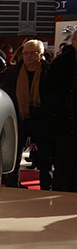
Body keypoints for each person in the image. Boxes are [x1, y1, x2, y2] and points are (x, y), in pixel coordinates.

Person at [0, 40, 52, 189]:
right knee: (15, 155)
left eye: (33, 53)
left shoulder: (48, 72)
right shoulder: (13, 73)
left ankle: (46, 187)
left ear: (40, 54)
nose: (28, 56)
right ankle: (12, 185)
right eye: (26, 53)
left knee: (45, 157)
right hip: (19, 118)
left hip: (41, 119)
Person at [47, 33, 77, 191]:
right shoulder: (61, 62)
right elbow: (51, 92)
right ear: (73, 41)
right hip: (65, 120)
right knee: (65, 160)